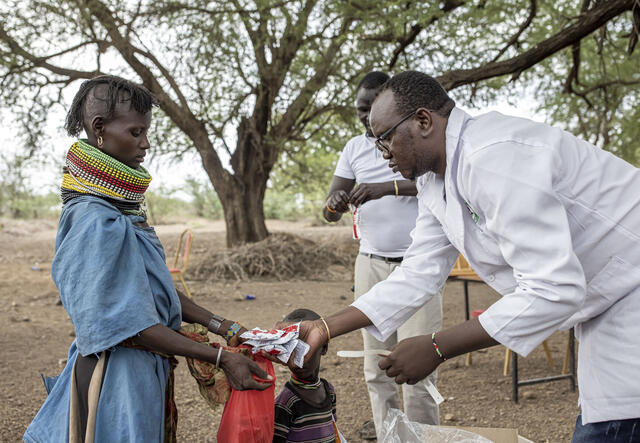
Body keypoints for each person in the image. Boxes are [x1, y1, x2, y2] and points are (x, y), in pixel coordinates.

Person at [297, 70, 640, 442]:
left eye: (385, 139)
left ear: (423, 120)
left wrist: (437, 347)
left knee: (612, 427)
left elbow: (551, 289)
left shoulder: (492, 157)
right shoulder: (435, 178)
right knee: (609, 420)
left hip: (630, 287)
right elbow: (419, 271)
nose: (382, 154)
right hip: (609, 297)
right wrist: (325, 327)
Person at [24, 75, 273, 443]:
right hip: (115, 378)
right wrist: (220, 358)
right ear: (99, 129)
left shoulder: (119, 211)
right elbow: (133, 324)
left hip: (141, 369)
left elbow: (152, 289)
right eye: (136, 132)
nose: (146, 143)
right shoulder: (95, 219)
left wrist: (225, 327)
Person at [323, 70, 442, 439]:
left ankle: (421, 437)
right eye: (360, 109)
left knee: (418, 366)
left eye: (371, 108)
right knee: (377, 365)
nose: (365, 116)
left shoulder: (415, 144)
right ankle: (390, 434)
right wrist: (335, 203)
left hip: (417, 265)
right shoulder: (354, 149)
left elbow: (432, 180)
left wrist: (385, 188)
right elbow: (329, 209)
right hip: (371, 264)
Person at [273, 309, 344, 443]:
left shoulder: (328, 390)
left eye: (304, 350)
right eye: (291, 350)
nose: (297, 361)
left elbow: (332, 428)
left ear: (323, 348)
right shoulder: (285, 402)